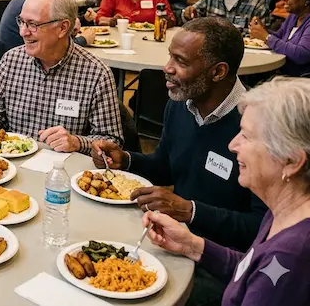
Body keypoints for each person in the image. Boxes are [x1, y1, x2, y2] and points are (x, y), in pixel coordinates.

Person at [92, 18, 266, 249]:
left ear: (218, 72)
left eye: (180, 61)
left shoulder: (257, 128)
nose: (167, 68)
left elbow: (261, 227)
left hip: (220, 257)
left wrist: (190, 211)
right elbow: (166, 167)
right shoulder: (180, 104)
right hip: (171, 236)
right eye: (170, 56)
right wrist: (126, 160)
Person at [141, 77, 310, 306]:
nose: (233, 145)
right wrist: (192, 245)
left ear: (291, 161)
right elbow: (250, 271)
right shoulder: (283, 212)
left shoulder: (291, 254)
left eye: (247, 136)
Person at [0, 0, 124, 155]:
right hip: (14, 166)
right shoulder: (11, 60)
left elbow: (112, 142)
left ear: (62, 28)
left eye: (33, 24)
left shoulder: (96, 74)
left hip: (64, 172)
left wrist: (77, 142)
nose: (23, 32)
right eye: (21, 21)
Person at [249, 0, 310, 76]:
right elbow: (280, 37)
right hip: (280, 73)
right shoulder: (294, 15)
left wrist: (267, 37)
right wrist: (263, 30)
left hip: (298, 81)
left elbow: (302, 54)